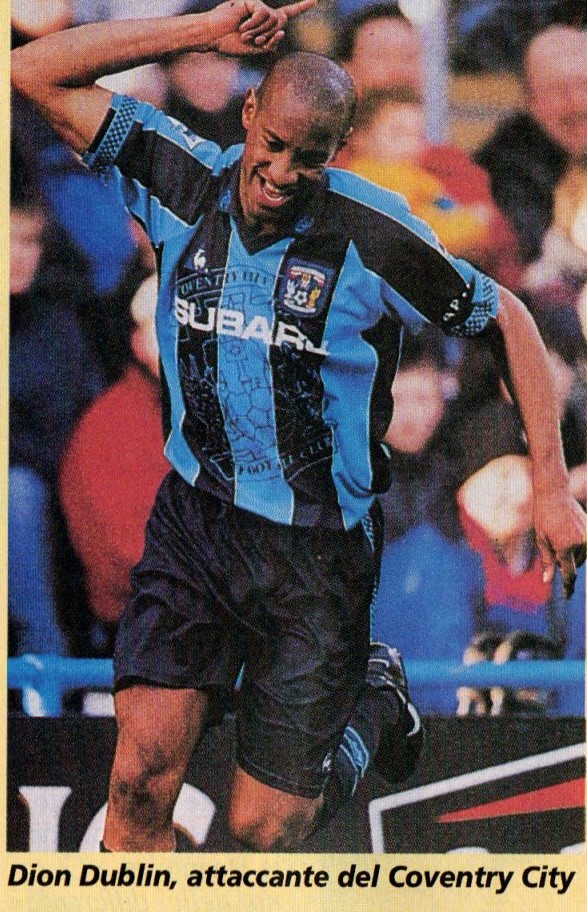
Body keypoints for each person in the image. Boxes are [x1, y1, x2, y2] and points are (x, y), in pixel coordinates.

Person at [12, 0, 585, 852]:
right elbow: (30, 68)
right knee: (137, 782)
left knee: (265, 826)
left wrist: (550, 484)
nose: (280, 172)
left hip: (315, 550)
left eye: (307, 158)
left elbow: (507, 317)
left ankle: (372, 699)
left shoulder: (373, 233)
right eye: (272, 145)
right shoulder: (179, 172)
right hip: (197, 522)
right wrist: (197, 32)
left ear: (337, 151)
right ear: (248, 113)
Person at [475, 25, 587, 266]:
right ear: (530, 102)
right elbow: (533, 248)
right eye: (559, 91)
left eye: (584, 85)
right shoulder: (505, 167)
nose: (577, 103)